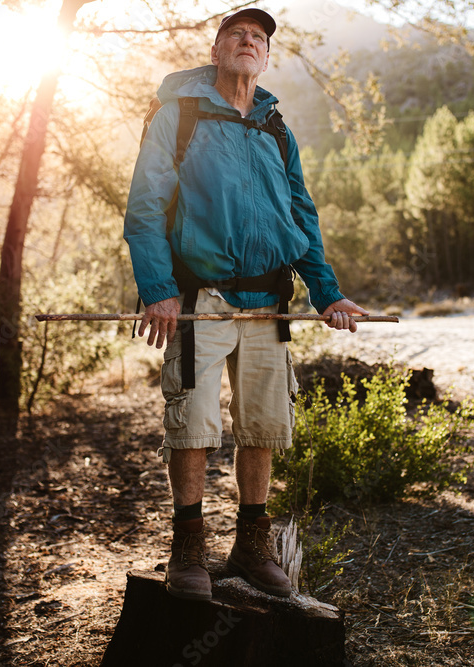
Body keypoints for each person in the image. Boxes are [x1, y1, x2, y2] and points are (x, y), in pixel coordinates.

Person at [123, 7, 367, 601]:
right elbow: (146, 206)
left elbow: (301, 216)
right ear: (217, 50)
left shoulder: (276, 126)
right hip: (199, 297)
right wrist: (158, 289)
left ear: (265, 56)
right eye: (237, 34)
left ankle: (251, 548)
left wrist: (326, 292)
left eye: (258, 37)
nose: (248, 42)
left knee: (262, 423)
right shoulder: (178, 115)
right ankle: (189, 551)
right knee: (193, 423)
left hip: (270, 301)